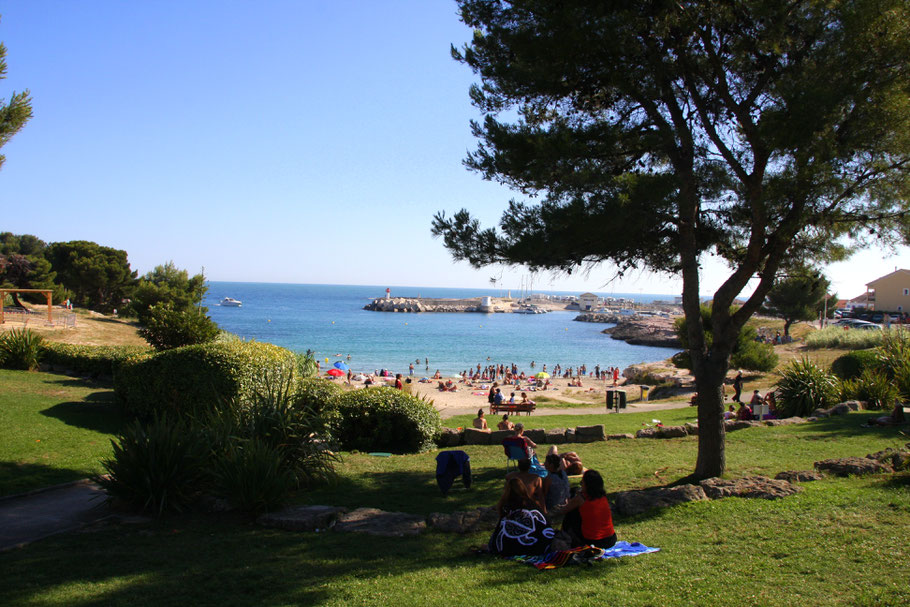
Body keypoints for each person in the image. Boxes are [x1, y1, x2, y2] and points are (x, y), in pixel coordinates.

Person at [488, 478, 554, 556]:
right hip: (540, 544)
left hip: (514, 546)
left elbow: (500, 528)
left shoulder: (507, 507)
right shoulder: (533, 505)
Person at [562, 470, 617, 549]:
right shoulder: (602, 497)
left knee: (571, 513)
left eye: (582, 482)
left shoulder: (581, 498)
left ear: (587, 485)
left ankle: (566, 537)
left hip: (594, 542)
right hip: (610, 539)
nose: (581, 485)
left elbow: (564, 510)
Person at [542, 452, 570, 517]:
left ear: (551, 465)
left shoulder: (549, 478)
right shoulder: (563, 474)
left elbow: (543, 495)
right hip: (564, 504)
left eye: (546, 462)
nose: (544, 464)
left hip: (553, 507)